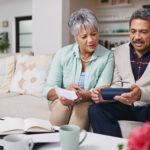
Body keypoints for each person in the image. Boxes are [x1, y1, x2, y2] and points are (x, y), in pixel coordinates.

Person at [43, 8, 114, 130]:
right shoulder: (62, 54)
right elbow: (48, 90)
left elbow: (101, 91)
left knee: (79, 115)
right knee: (61, 108)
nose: (91, 40)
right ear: (75, 37)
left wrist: (80, 95)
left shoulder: (107, 56)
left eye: (94, 34)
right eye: (84, 36)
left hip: (87, 101)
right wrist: (65, 93)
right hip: (61, 100)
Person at [88, 8, 150, 137]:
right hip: (124, 106)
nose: (137, 37)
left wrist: (140, 94)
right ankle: (114, 146)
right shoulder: (117, 52)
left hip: (147, 106)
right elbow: (116, 84)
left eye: (143, 32)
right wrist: (105, 96)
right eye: (133, 31)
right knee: (95, 110)